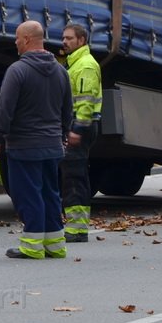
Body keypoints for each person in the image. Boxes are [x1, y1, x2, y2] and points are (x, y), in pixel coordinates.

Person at [0, 21, 73, 259]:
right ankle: (56, 244)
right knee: (50, 193)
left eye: (17, 38)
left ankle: (32, 245)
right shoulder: (61, 72)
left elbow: (5, 108)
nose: (15, 42)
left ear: (26, 39)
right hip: (52, 145)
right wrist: (63, 135)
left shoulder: (18, 71)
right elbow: (68, 110)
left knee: (28, 194)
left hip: (24, 145)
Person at [60, 23, 102, 242]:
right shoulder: (76, 63)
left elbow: (85, 102)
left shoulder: (85, 65)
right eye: (63, 38)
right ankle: (77, 227)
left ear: (82, 40)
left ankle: (76, 230)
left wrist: (76, 129)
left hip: (81, 127)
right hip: (80, 126)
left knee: (74, 177)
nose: (64, 42)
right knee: (73, 176)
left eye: (69, 38)